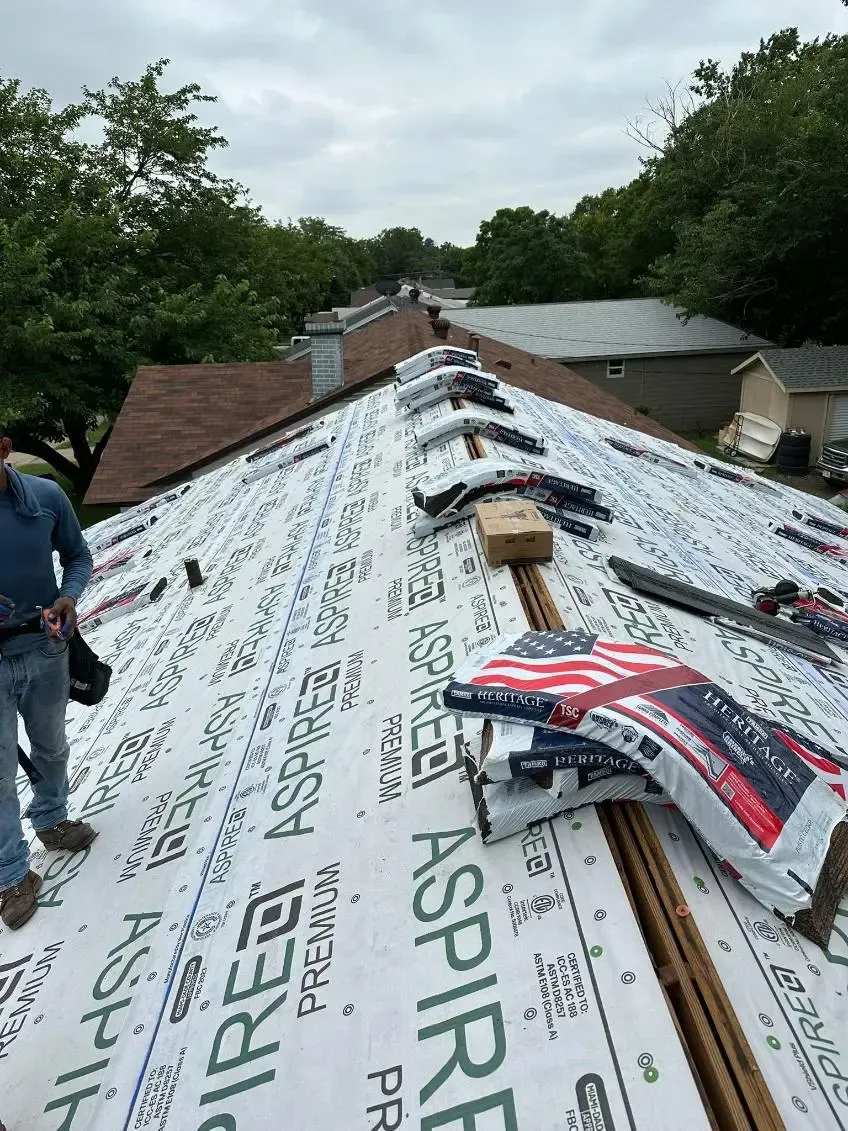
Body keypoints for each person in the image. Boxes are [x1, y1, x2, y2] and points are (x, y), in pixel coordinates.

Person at [0, 431, 96, 930]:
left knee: (51, 745)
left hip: (44, 646)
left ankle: (52, 820)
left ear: (3, 448)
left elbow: (78, 557)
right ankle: (13, 875)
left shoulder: (44, 499)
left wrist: (68, 596)